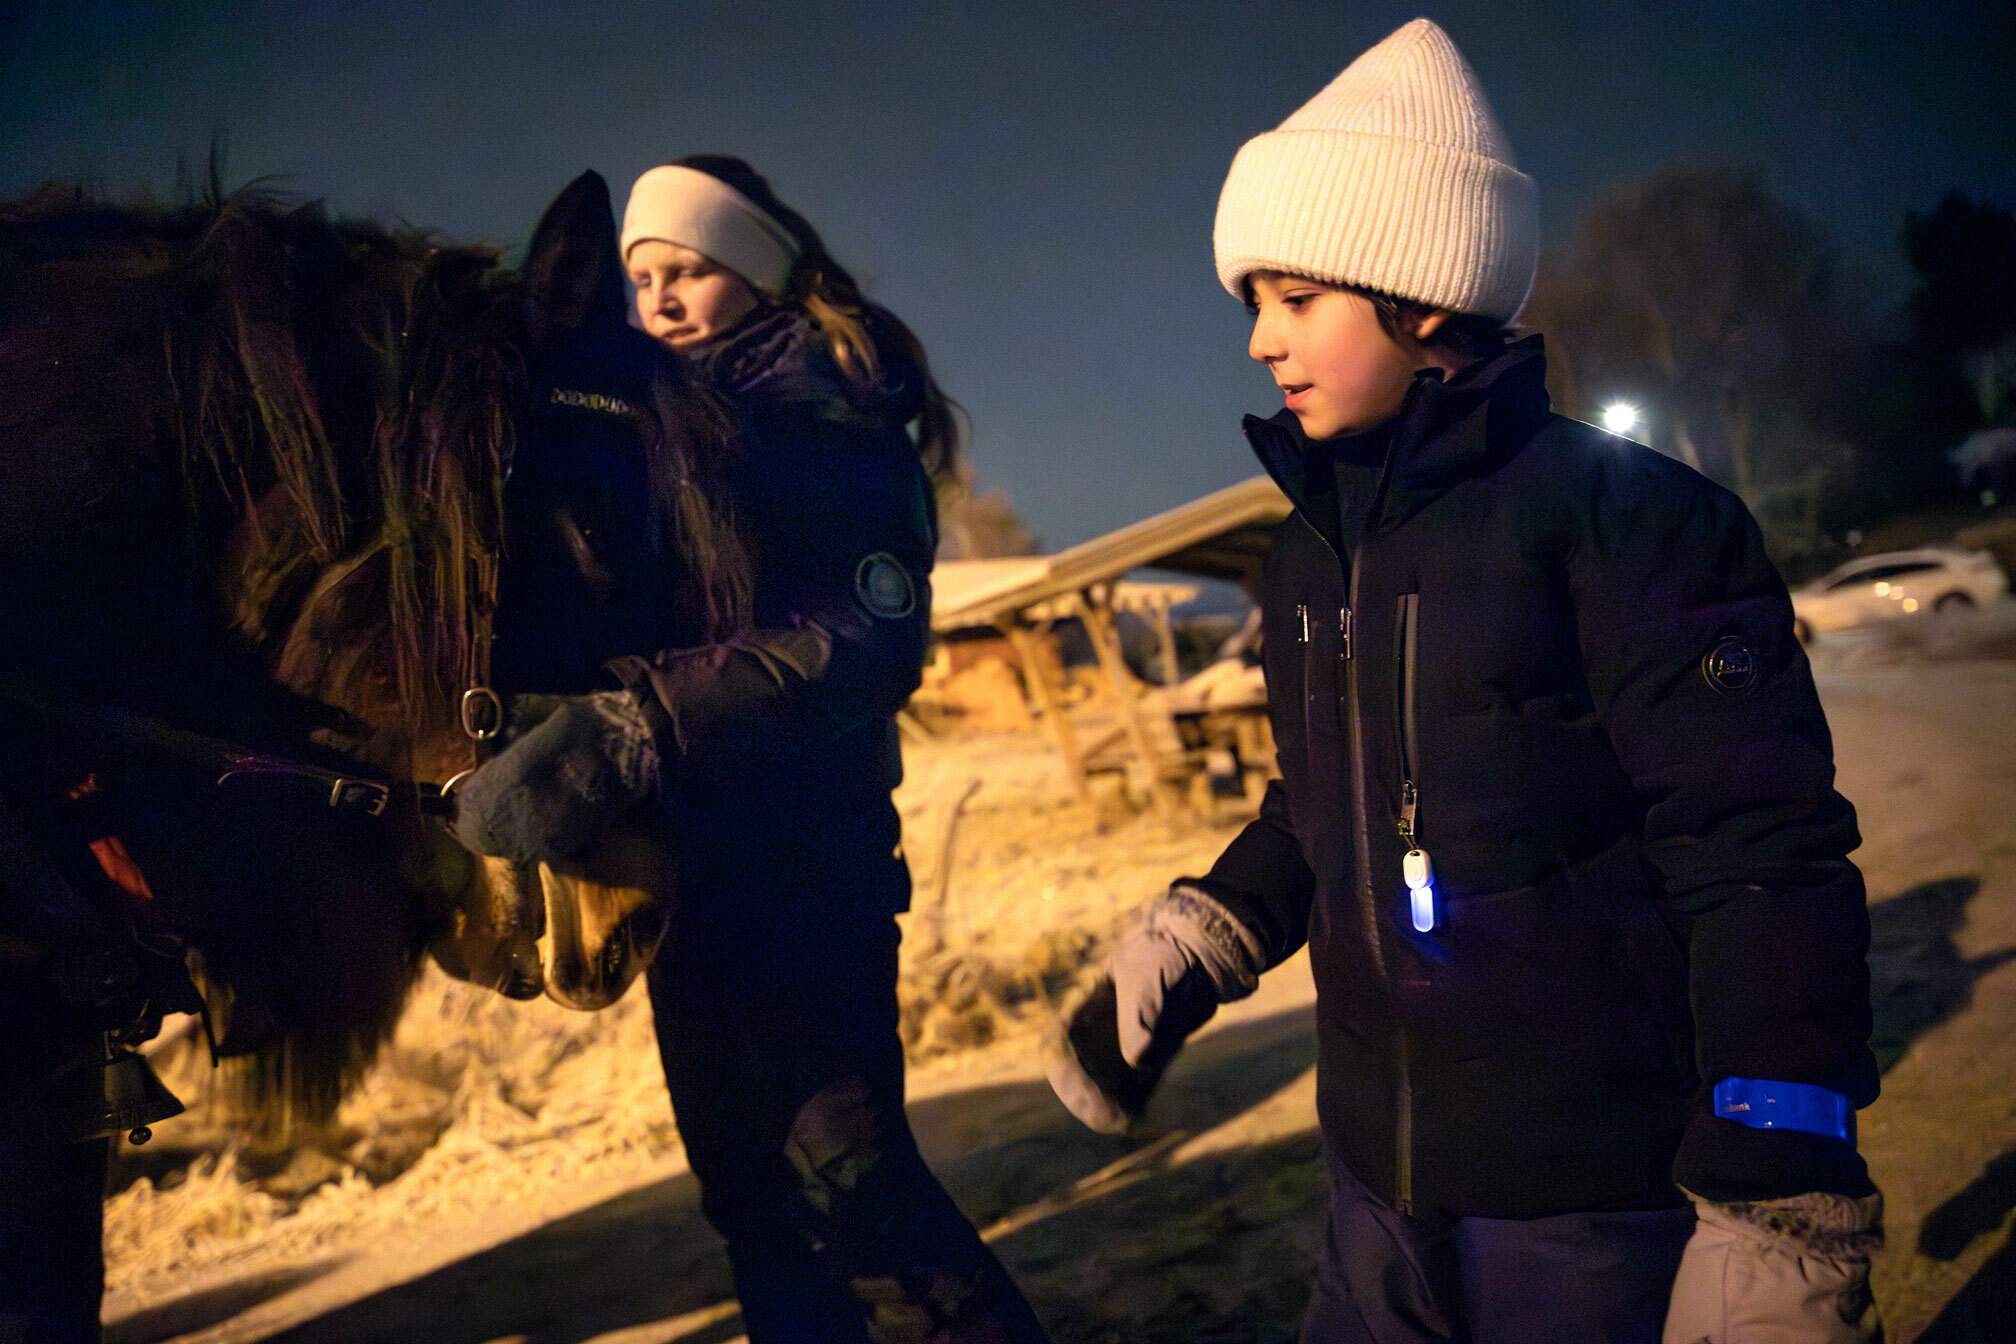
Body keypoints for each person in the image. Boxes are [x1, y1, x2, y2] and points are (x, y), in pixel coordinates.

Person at [1046, 20, 1883, 1344]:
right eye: (1251, 303)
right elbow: (1322, 806)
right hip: (1375, 1186)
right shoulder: (1306, 553)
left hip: (1590, 1201)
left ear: (1421, 292)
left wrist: (1781, 1174)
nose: (1261, 342)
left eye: (1296, 298)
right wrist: (1200, 937)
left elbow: (1758, 852)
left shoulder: (1629, 522)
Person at [460, 158, 1049, 1342]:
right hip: (696, 872)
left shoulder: (823, 409)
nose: (661, 301)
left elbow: (863, 636)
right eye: (641, 281)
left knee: (856, 1192)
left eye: (689, 270)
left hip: (807, 863)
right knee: (750, 1201)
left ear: (760, 273)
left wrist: (639, 726)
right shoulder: (655, 426)